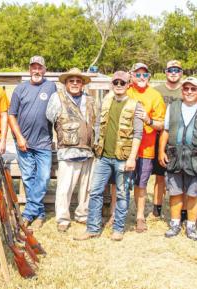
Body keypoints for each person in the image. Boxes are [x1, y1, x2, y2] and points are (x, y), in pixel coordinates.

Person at [74, 71, 143, 241]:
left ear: (129, 85)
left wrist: (132, 157)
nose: (119, 85)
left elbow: (138, 134)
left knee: (122, 194)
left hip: (123, 158)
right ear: (112, 84)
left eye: (122, 83)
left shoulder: (136, 105)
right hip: (104, 157)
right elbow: (98, 126)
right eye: (116, 82)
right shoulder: (105, 102)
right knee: (95, 192)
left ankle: (118, 229)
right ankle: (93, 228)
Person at [159, 77, 197, 240]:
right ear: (182, 90)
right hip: (174, 157)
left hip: (196, 159)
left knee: (193, 194)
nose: (189, 92)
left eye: (193, 89)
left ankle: (191, 226)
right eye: (186, 89)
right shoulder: (173, 106)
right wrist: (161, 151)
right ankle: (175, 224)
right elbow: (166, 130)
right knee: (175, 193)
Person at [45, 67, 98, 232]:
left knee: (86, 188)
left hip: (88, 151)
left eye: (78, 81)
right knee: (64, 188)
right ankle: (62, 218)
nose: (75, 83)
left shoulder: (90, 100)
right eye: (71, 81)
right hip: (67, 151)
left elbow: (96, 122)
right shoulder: (57, 98)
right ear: (66, 83)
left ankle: (83, 215)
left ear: (82, 84)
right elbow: (50, 117)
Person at [8, 56, 57, 230]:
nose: (36, 71)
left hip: (43, 142)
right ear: (29, 70)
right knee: (29, 178)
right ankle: (40, 214)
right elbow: (11, 115)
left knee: (43, 178)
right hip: (24, 143)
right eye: (33, 68)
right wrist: (19, 137)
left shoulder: (51, 87)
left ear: (44, 70)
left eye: (40, 68)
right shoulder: (20, 89)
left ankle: (28, 214)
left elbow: (58, 111)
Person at [127, 63, 166, 232]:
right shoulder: (124, 90)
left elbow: (162, 124)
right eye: (138, 74)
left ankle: (140, 216)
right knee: (117, 183)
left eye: (144, 75)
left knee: (141, 184)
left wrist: (148, 120)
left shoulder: (155, 95)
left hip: (146, 148)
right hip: (125, 148)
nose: (141, 78)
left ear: (149, 77)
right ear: (131, 75)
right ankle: (114, 213)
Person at [151, 60, 183, 219]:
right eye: (171, 69)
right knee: (160, 176)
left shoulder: (186, 90)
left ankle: (180, 210)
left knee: (180, 176)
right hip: (159, 138)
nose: (173, 72)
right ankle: (157, 208)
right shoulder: (157, 90)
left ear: (181, 72)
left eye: (177, 70)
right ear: (165, 71)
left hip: (179, 139)